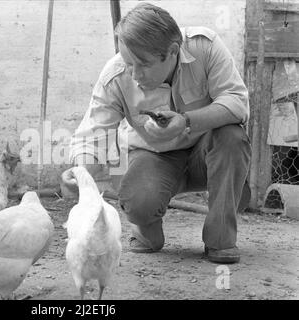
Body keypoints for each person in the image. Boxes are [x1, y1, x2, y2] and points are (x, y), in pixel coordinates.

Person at [61, 3, 251, 264]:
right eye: (129, 63)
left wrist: (186, 121)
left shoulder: (205, 47)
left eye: (144, 65)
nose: (135, 74)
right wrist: (80, 173)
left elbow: (236, 102)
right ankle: (145, 232)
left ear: (173, 52)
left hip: (205, 153)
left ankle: (220, 241)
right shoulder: (115, 75)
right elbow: (93, 135)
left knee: (232, 136)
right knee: (139, 202)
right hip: (154, 157)